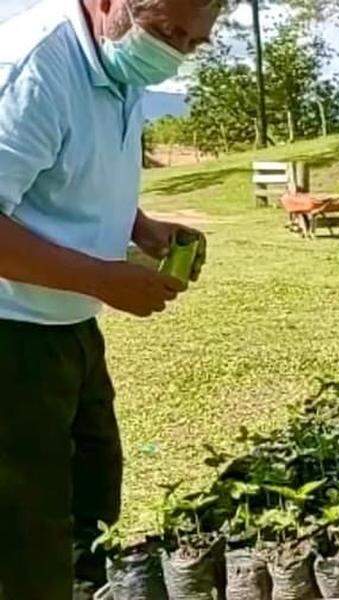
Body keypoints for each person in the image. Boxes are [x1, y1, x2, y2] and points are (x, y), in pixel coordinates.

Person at [0, 0, 221, 597]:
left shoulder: (115, 63)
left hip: (66, 326)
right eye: (168, 31)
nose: (176, 51)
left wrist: (139, 227)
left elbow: (65, 173)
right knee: (25, 534)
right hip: (12, 337)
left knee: (90, 500)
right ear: (106, 4)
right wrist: (104, 278)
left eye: (193, 41)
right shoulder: (35, 67)